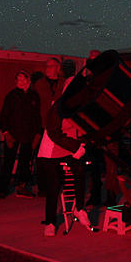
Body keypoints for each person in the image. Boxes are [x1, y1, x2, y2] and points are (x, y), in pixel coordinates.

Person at [36, 59, 93, 237]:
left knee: (79, 171)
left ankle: (79, 209)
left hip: (68, 148)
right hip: (52, 148)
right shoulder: (57, 107)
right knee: (54, 184)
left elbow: (83, 129)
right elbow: (53, 133)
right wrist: (76, 147)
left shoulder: (79, 107)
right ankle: (51, 222)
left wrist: (83, 144)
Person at [0, 70, 40, 199]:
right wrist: (6, 132)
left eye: (24, 80)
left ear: (29, 81)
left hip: (28, 136)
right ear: (15, 82)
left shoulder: (34, 97)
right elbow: (3, 116)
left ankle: (22, 187)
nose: (22, 83)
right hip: (13, 135)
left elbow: (37, 117)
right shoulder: (11, 96)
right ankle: (3, 189)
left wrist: (37, 134)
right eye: (19, 80)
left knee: (25, 162)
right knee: (8, 163)